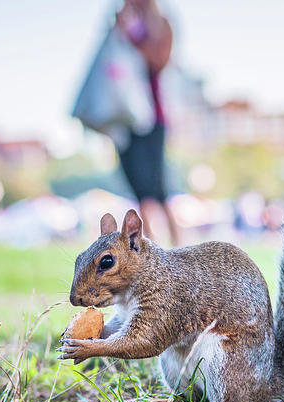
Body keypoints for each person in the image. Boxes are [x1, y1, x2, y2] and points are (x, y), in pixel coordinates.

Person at [114, 0, 180, 245]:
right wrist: (119, 29)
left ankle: (177, 246)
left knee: (158, 188)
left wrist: (134, 35)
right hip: (123, 119)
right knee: (139, 190)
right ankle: (149, 250)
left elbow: (159, 60)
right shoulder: (118, 22)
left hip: (151, 116)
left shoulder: (160, 25)